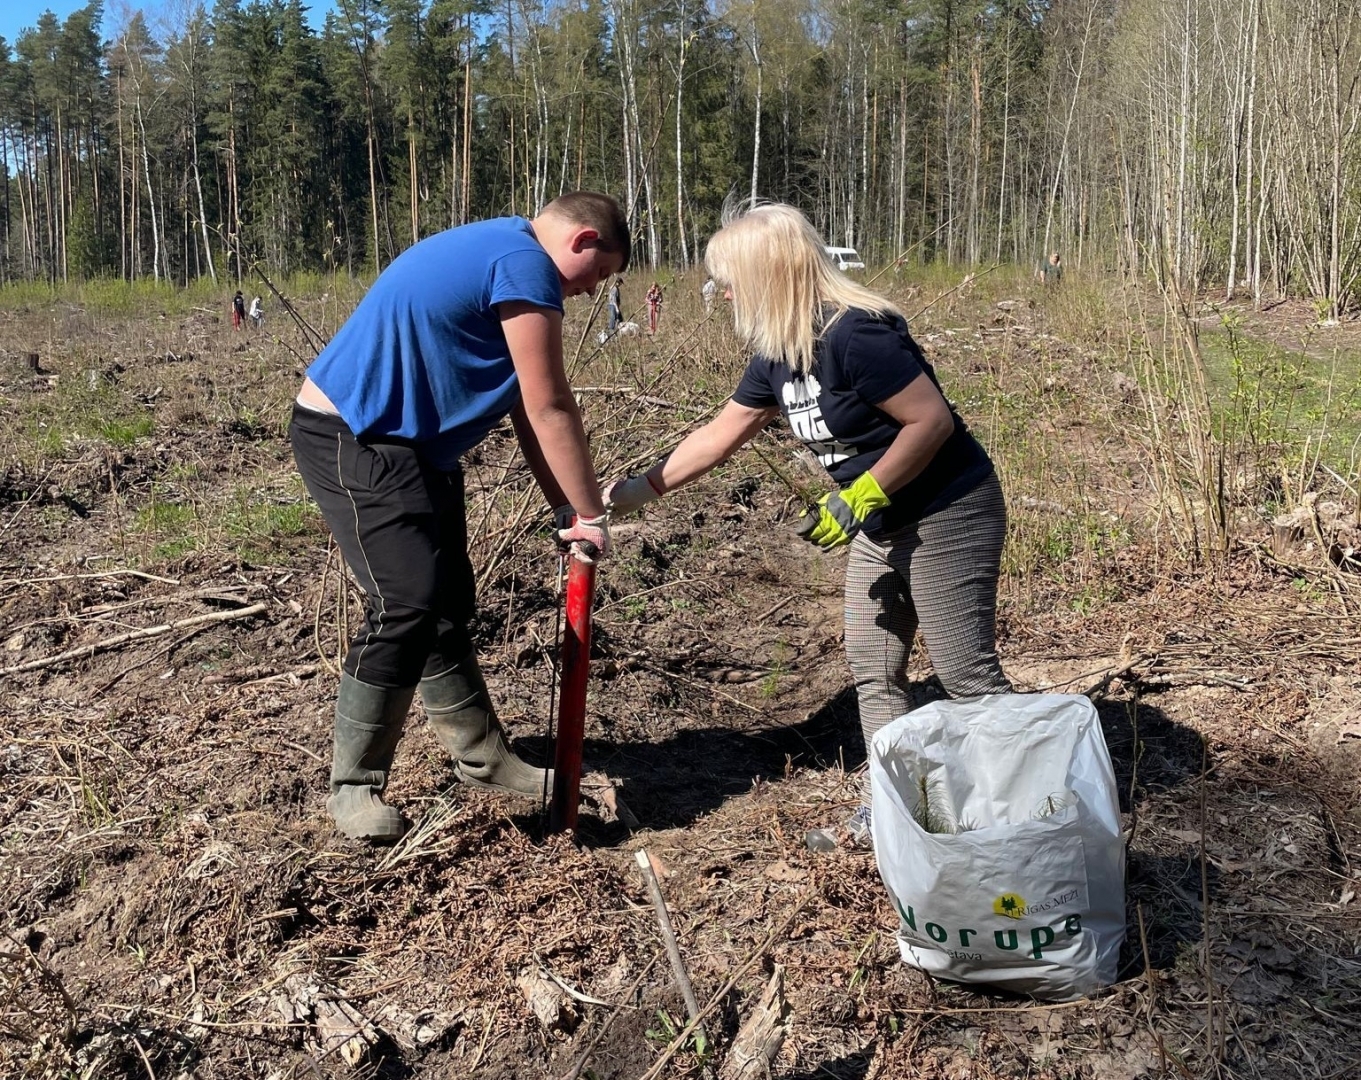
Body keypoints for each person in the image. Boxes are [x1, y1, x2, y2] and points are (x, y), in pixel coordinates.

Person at [604, 203, 1011, 844]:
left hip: (948, 516)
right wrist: (630, 494)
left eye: (729, 277)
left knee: (967, 675)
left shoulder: (857, 335)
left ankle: (1025, 804)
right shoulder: (776, 353)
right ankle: (895, 813)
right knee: (874, 672)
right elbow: (721, 435)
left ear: (767, 273)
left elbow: (931, 422)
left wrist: (866, 491)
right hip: (883, 527)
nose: (724, 291)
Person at [289, 191, 630, 842]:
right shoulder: (523, 263)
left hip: (411, 444)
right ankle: (355, 789)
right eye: (601, 276)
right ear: (582, 241)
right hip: (352, 435)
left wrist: (565, 507)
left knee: (444, 601)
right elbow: (552, 404)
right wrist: (590, 513)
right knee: (406, 603)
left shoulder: (504, 248)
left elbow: (529, 410)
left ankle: (485, 761)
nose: (590, 293)